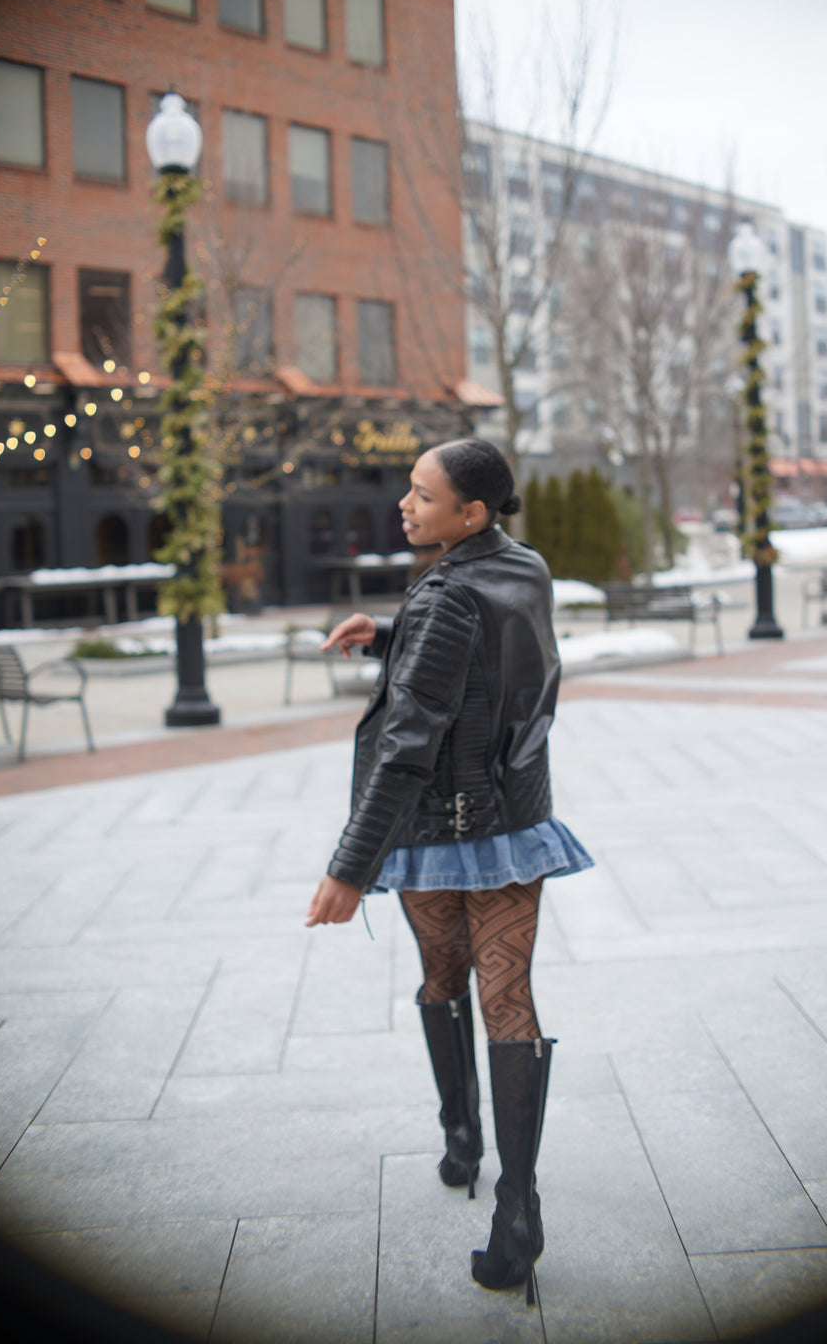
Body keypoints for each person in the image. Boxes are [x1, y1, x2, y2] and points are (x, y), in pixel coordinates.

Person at [305, 438, 592, 1304]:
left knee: (443, 977)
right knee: (510, 999)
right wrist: (393, 635)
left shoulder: (446, 596)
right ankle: (515, 1204)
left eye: (423, 496)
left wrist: (349, 869)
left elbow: (405, 749)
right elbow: (484, 648)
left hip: (435, 827)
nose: (405, 504)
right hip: (512, 819)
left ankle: (461, 1131)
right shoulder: (522, 565)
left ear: (471, 514)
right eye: (409, 490)